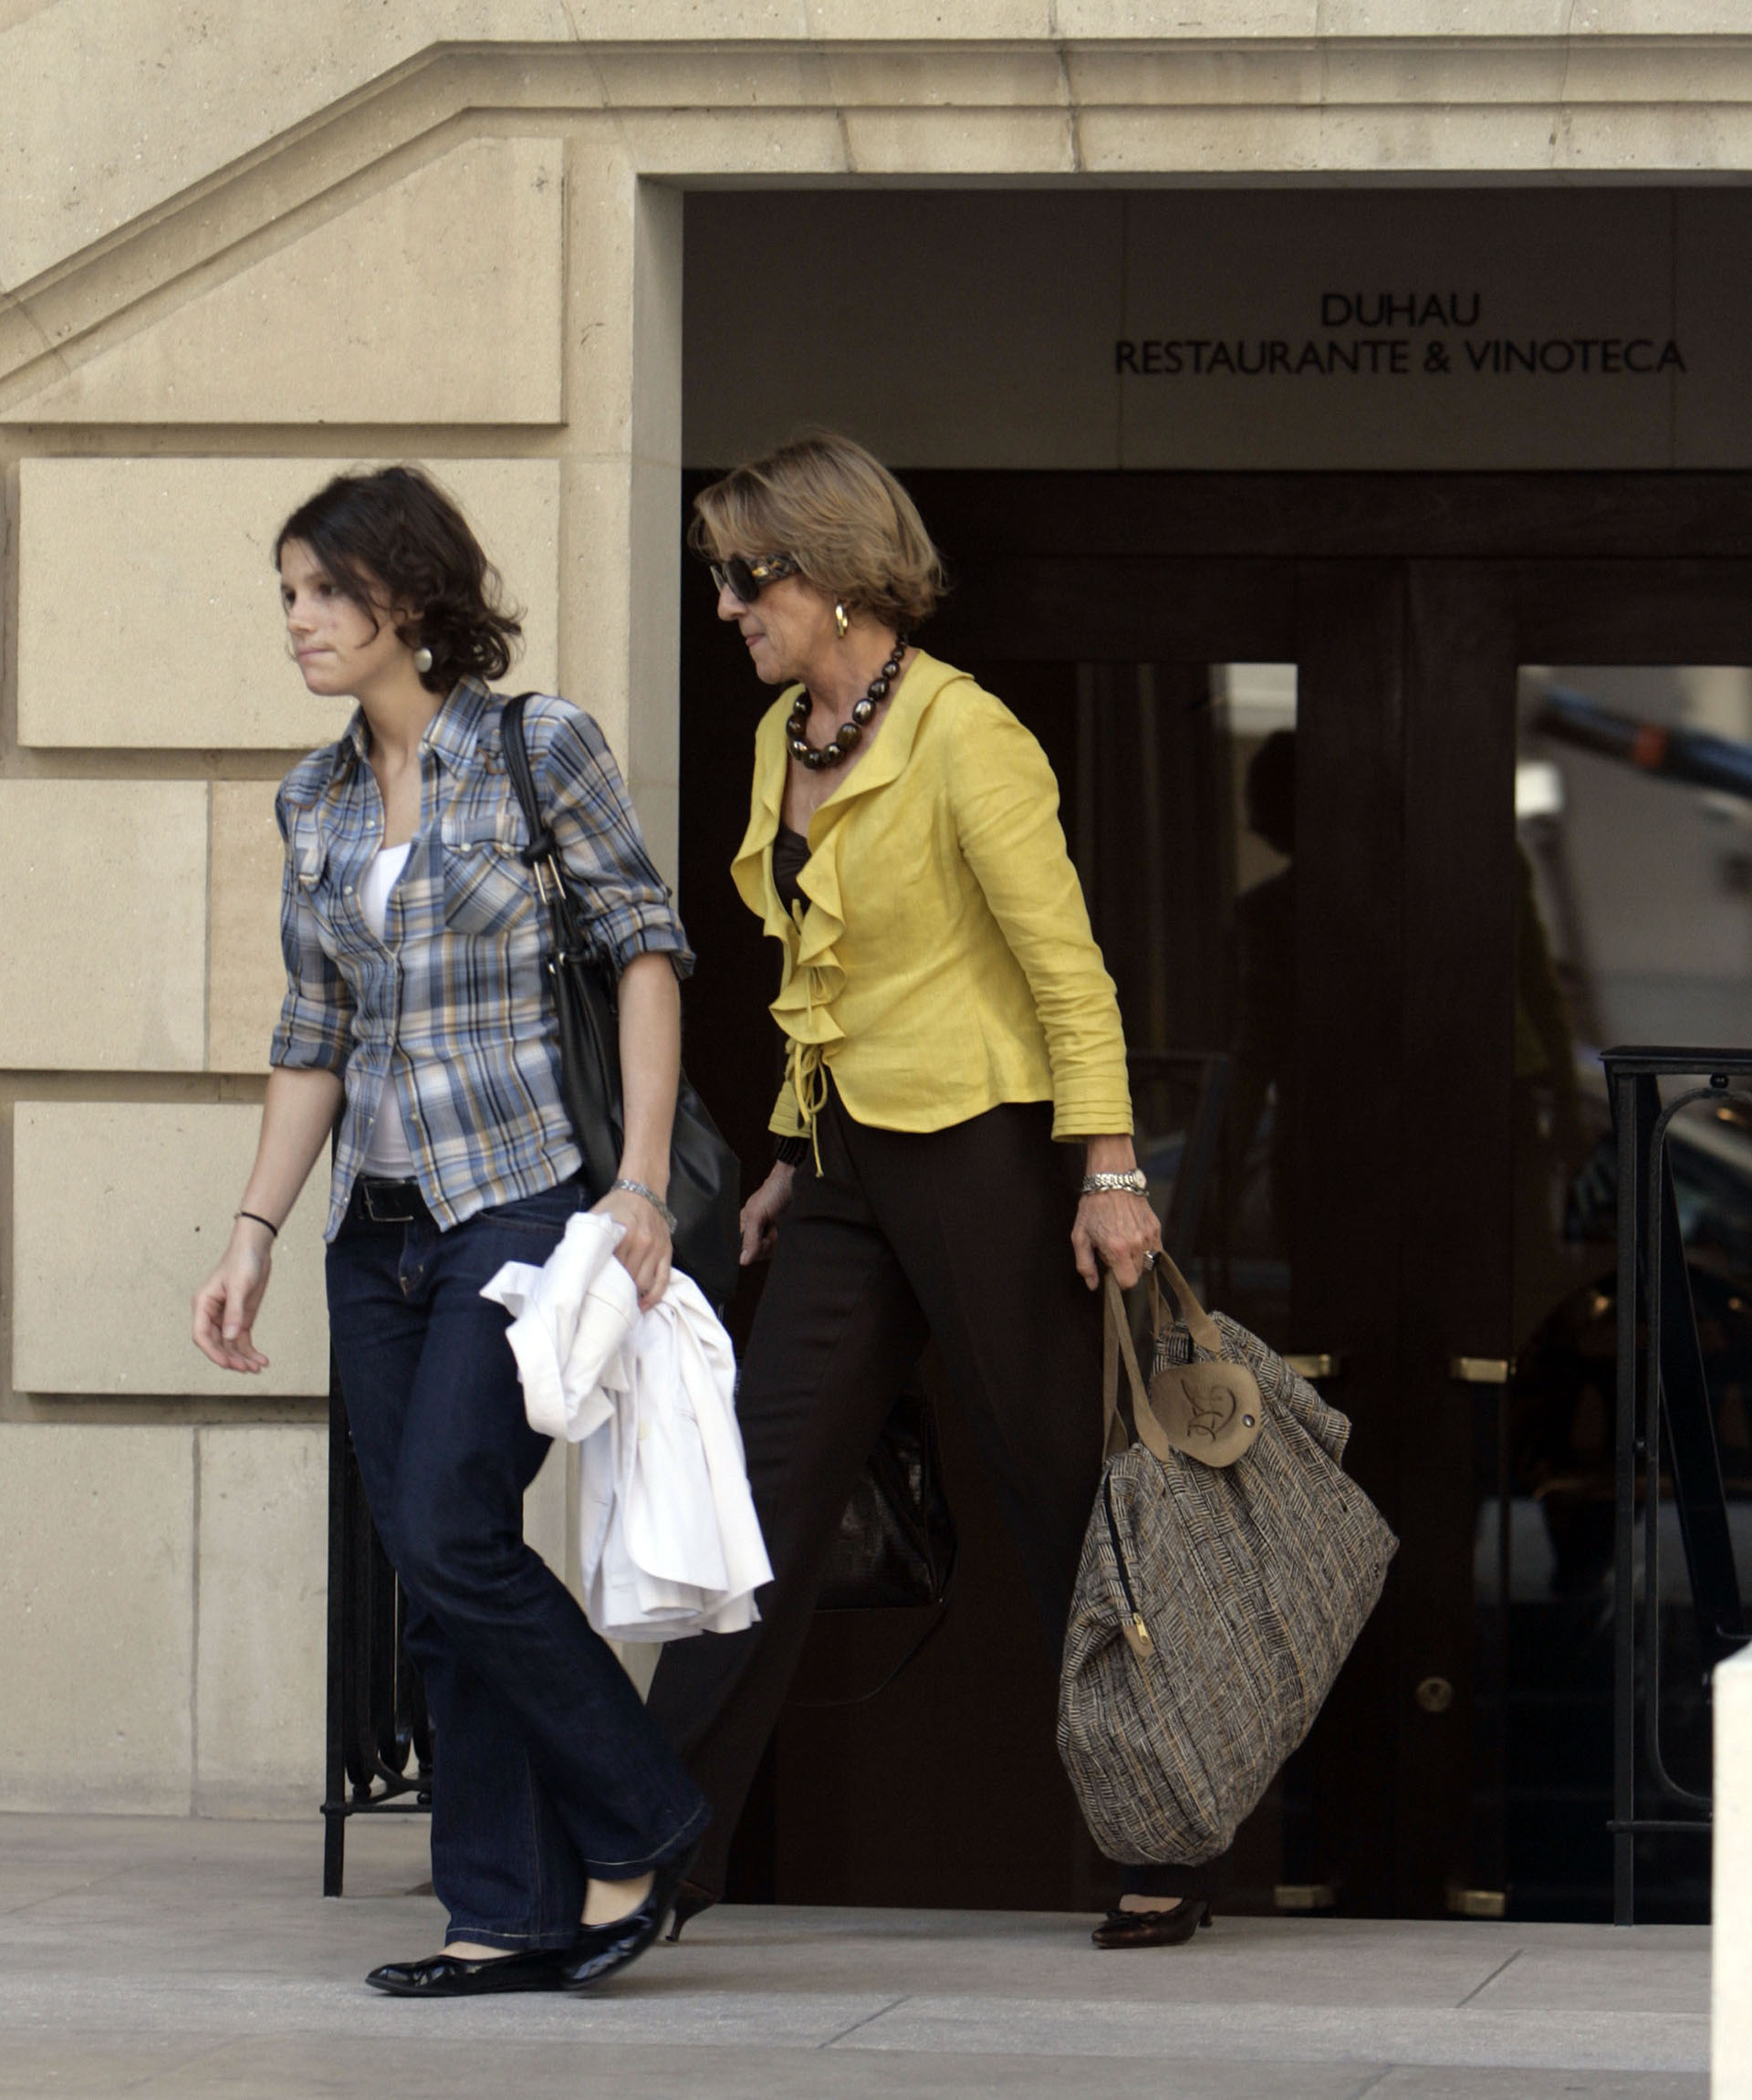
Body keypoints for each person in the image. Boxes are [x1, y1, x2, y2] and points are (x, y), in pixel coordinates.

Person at [646, 431, 1219, 1950]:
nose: (728, 607)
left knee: (1058, 1493)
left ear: (835, 578)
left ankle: (1160, 1832)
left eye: (745, 576)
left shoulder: (971, 735)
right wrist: (786, 1147)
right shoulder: (789, 738)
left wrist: (1109, 1170)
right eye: (721, 577)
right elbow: (814, 974)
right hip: (846, 1160)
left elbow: (1068, 969)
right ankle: (648, 1854)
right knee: (757, 1495)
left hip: (983, 1151)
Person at [191, 465, 707, 1996]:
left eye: (320, 592)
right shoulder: (319, 796)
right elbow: (314, 1027)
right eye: (285, 594)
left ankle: (645, 1817)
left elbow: (644, 947)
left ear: (405, 599)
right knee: (432, 1568)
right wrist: (255, 1231)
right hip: (382, 1232)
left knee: (453, 1529)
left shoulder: (537, 749)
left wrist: (644, 1181)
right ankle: (505, 1910)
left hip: (527, 1197)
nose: (296, 621)